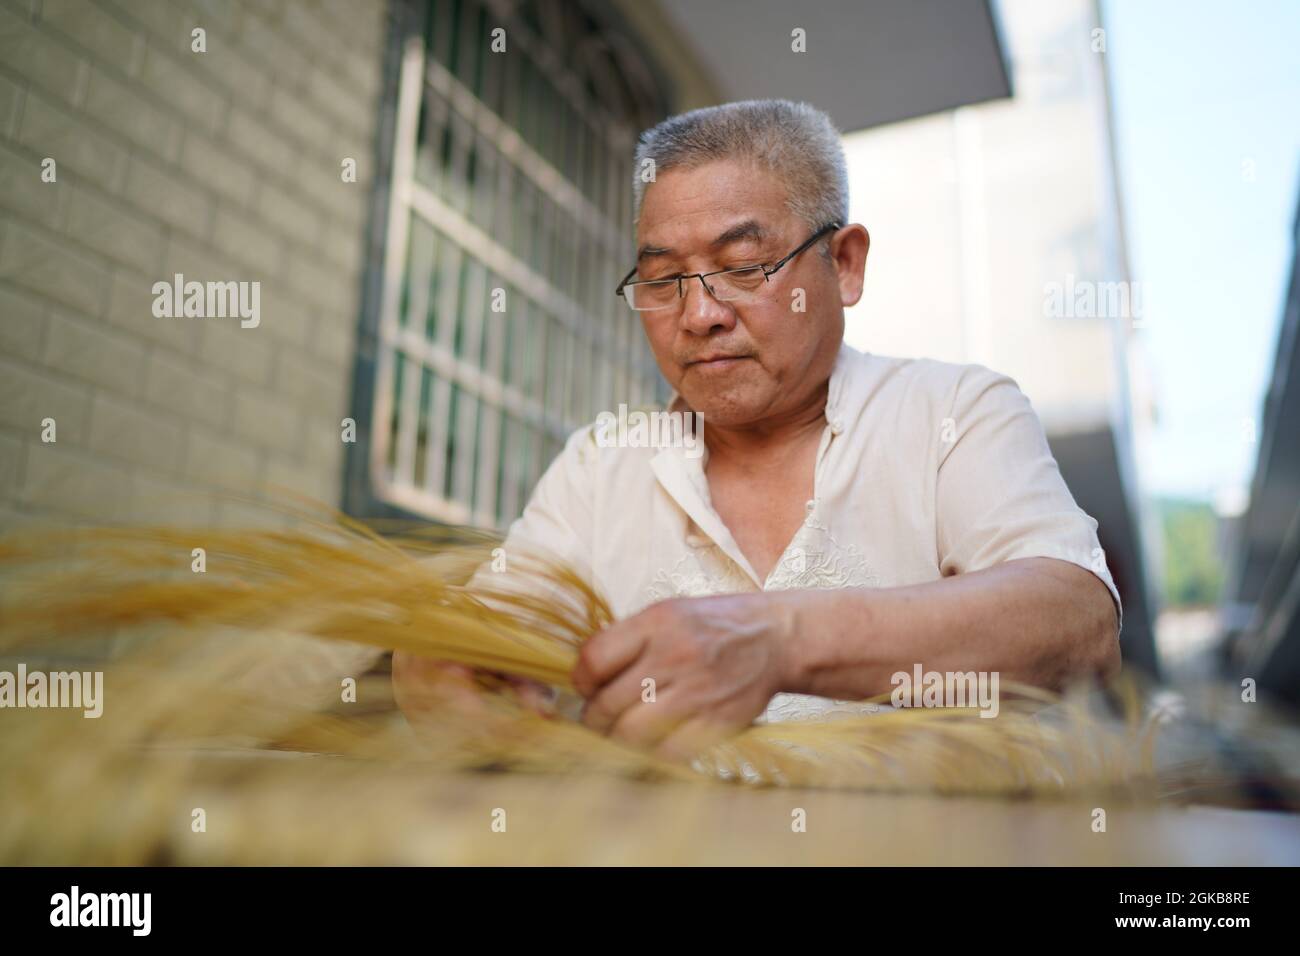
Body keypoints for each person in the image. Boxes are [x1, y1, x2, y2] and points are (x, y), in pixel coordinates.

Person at [394, 99, 1122, 760]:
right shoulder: (601, 464)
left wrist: (779, 638)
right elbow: (503, 621)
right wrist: (443, 662)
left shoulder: (954, 412)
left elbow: (1076, 621)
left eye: (743, 266)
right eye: (661, 279)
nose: (699, 314)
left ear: (843, 264)